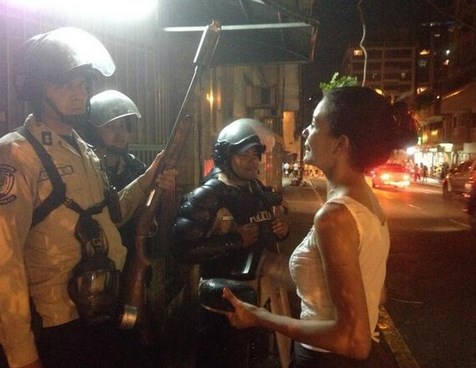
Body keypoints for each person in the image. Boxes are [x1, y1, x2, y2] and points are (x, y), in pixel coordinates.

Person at [0, 27, 176, 368]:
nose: (78, 92)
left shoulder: (84, 150)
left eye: (82, 83)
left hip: (103, 308)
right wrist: (21, 353)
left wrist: (148, 177)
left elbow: (112, 214)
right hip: (57, 322)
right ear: (37, 89)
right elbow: (5, 261)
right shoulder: (16, 153)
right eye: (64, 83)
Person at [213, 87, 417, 367]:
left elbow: (353, 341)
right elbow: (376, 293)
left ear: (340, 144)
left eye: (314, 124)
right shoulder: (366, 201)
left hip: (327, 359)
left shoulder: (334, 217)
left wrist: (257, 316)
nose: (306, 132)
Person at [171, 118, 290, 368]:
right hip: (222, 305)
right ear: (225, 155)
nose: (252, 161)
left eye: (256, 155)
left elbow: (266, 229)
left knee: (254, 358)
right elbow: (181, 249)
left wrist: (280, 230)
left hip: (258, 299)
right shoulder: (208, 194)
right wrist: (233, 241)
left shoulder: (255, 189)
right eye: (243, 155)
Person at [85, 89, 147, 249]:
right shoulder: (86, 169)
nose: (119, 134)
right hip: (99, 254)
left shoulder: (136, 168)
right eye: (110, 127)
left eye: (122, 126)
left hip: (133, 253)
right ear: (94, 132)